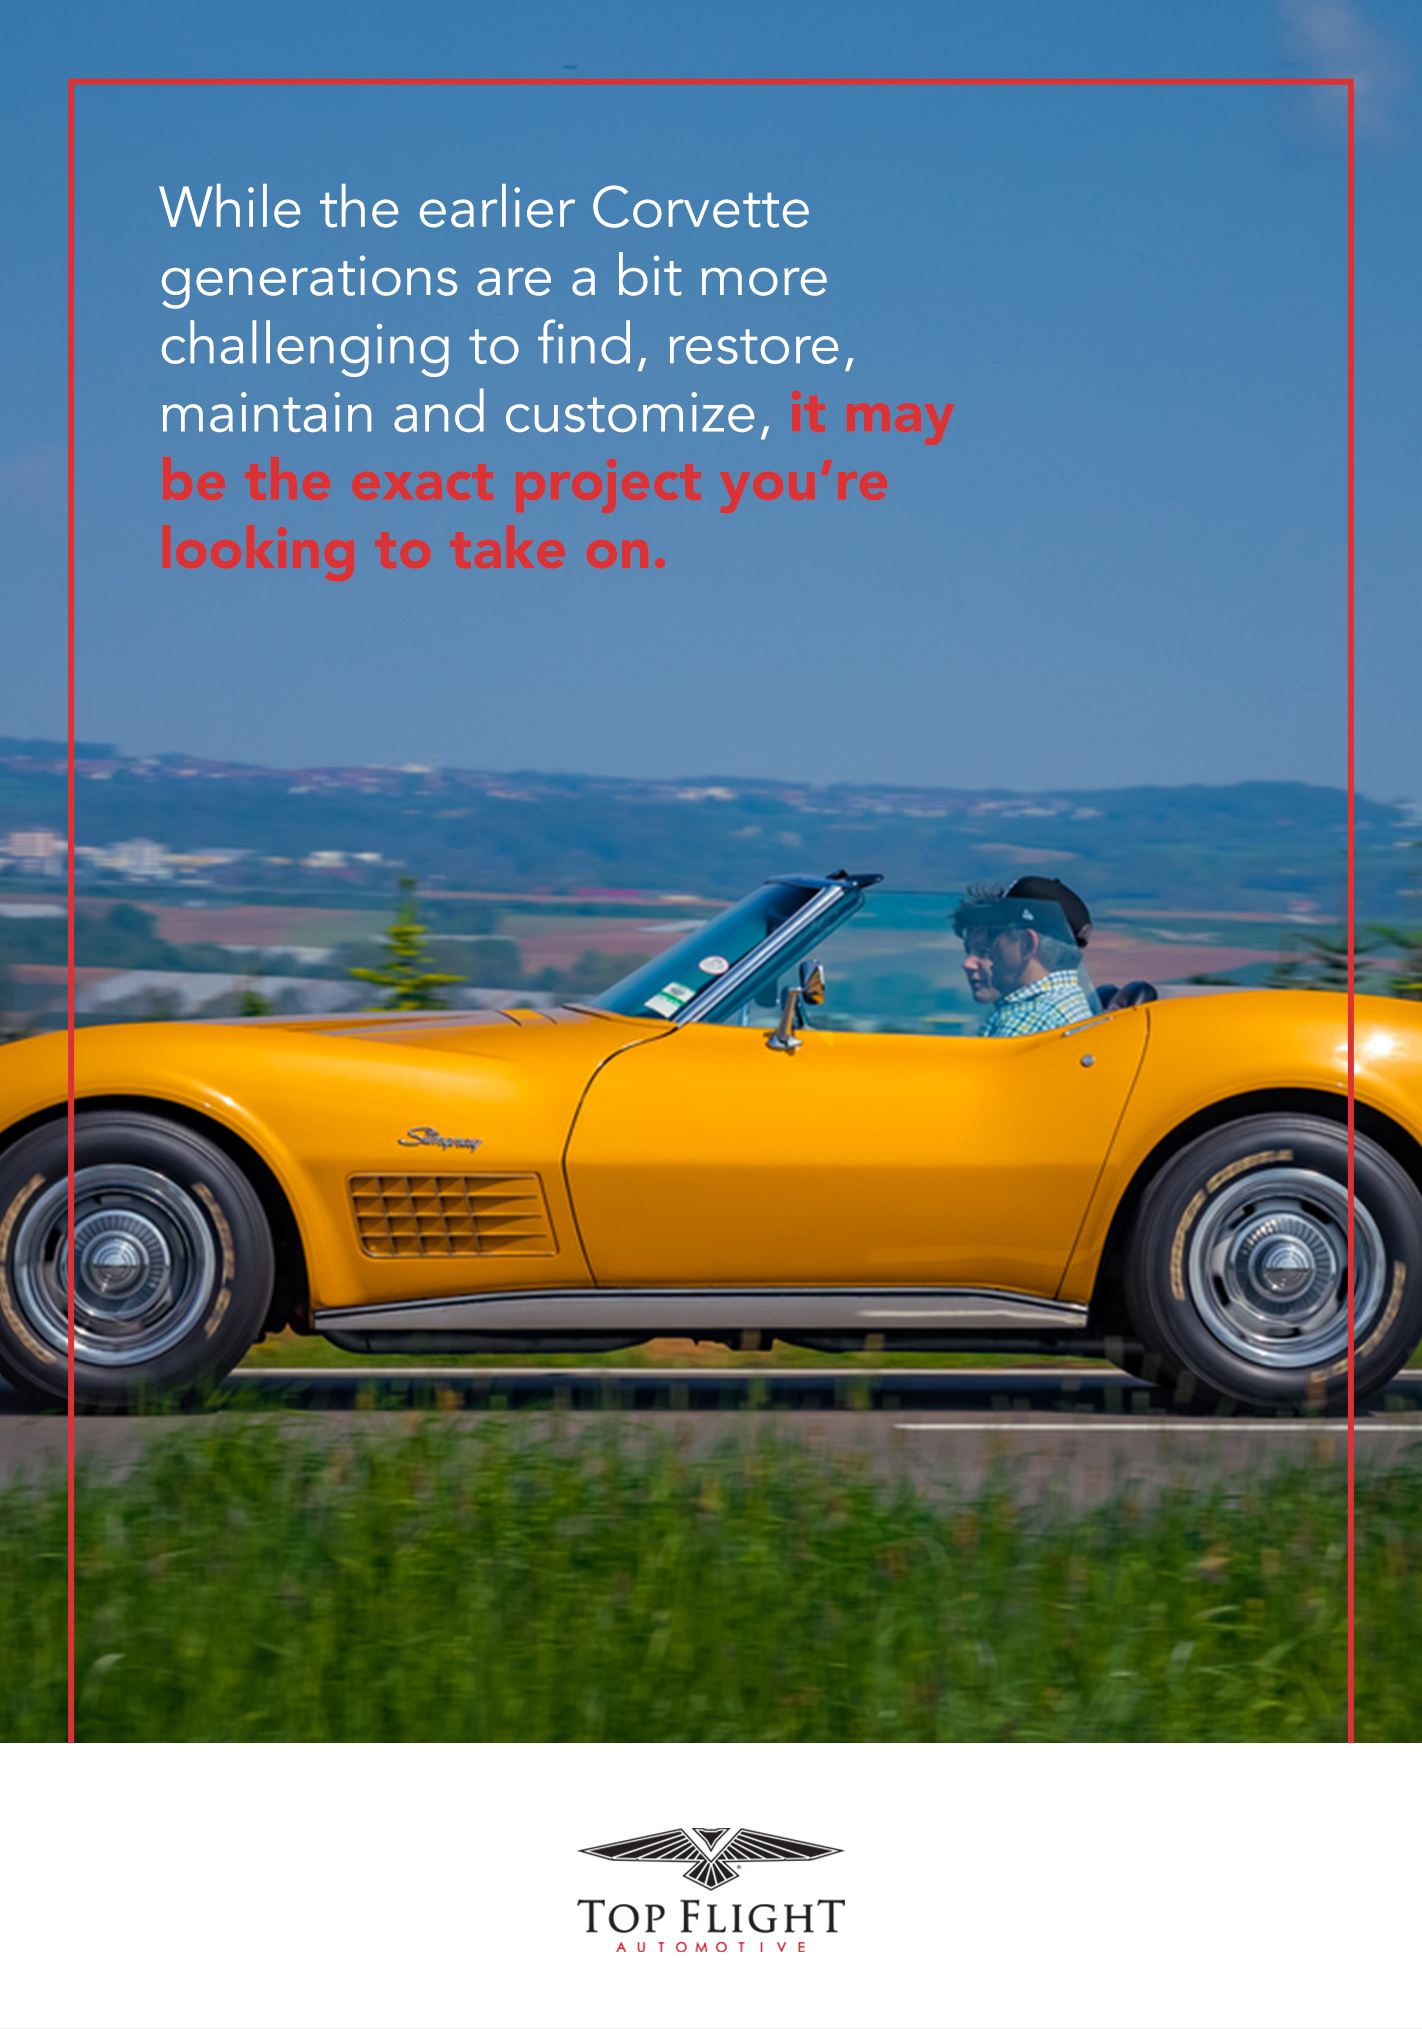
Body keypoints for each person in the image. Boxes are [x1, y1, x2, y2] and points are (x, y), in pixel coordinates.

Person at [953, 878, 1096, 1037]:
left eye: (994, 935)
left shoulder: (1030, 1020)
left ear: (1028, 944)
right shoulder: (1070, 1002)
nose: (992, 946)